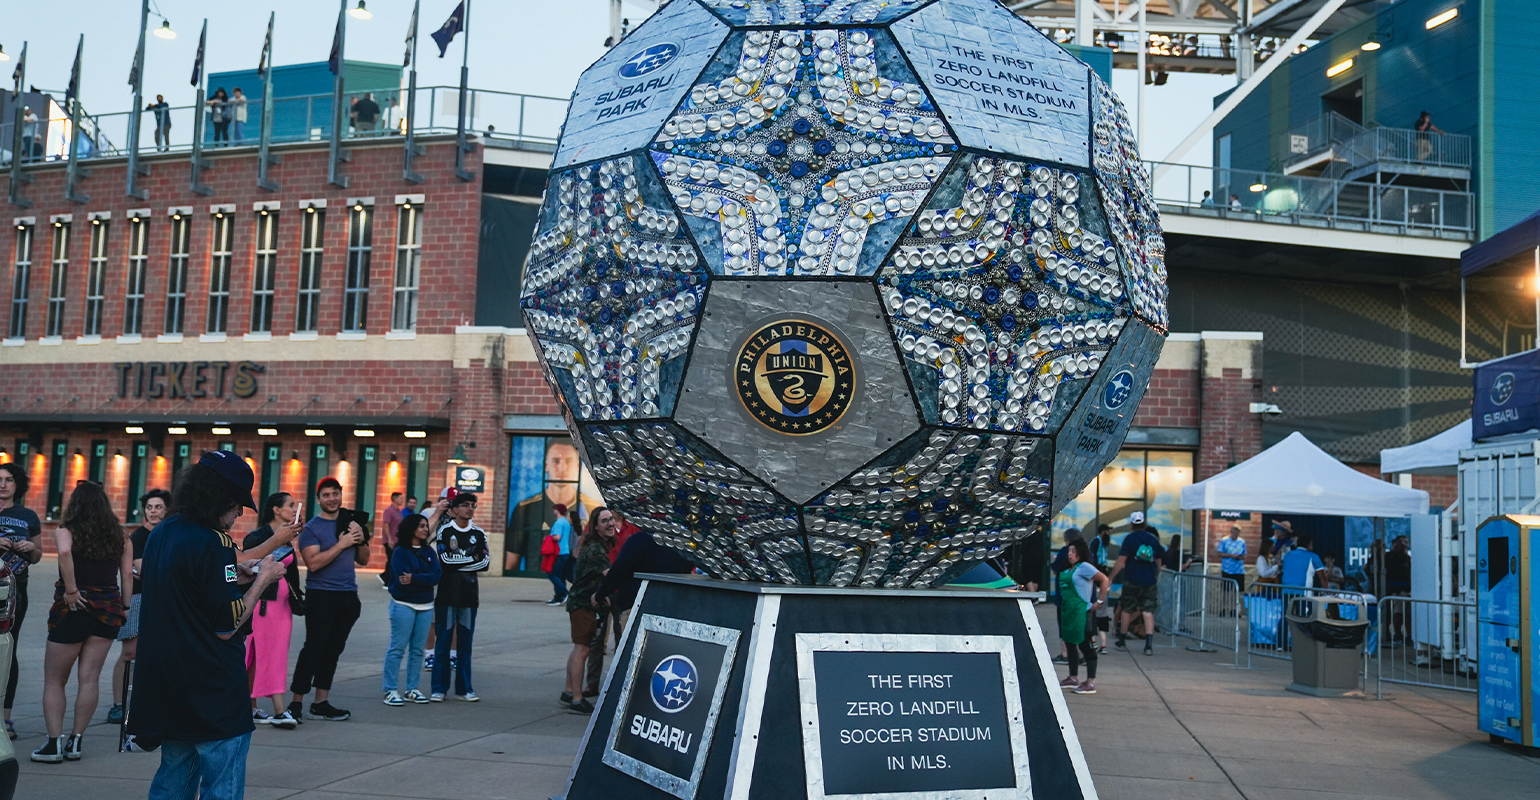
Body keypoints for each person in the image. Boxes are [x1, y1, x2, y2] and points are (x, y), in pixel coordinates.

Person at [128, 451, 285, 798]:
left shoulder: (162, 532)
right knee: (222, 784)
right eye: (237, 503)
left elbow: (185, 592)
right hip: (212, 688)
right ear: (220, 498)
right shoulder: (214, 542)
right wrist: (263, 579)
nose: (240, 512)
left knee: (173, 780)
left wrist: (232, 579)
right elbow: (226, 625)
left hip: (170, 686)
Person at [32, 482, 134, 763]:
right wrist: (126, 607)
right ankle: (76, 741)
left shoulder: (66, 530)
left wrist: (71, 589)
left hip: (73, 609)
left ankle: (54, 744)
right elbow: (127, 574)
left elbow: (65, 552)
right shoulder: (121, 536)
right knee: (89, 678)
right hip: (108, 610)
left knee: (55, 680)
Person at [288, 478, 369, 722]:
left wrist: (360, 538)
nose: (332, 498)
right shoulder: (311, 529)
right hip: (321, 595)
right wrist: (342, 543)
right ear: (318, 499)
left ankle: (320, 703)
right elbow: (313, 563)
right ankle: (296, 703)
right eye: (326, 495)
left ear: (341, 495)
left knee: (333, 650)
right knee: (313, 648)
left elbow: (364, 559)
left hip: (348, 595)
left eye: (335, 493)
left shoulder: (350, 522)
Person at [106, 488, 171, 725]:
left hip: (165, 600)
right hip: (138, 598)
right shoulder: (139, 537)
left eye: (158, 507)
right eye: (149, 507)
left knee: (159, 653)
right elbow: (145, 570)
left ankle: (149, 702)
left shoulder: (170, 535)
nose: (153, 512)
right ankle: (118, 704)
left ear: (167, 510)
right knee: (130, 652)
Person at [242, 493, 305, 729]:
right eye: (290, 505)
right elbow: (247, 568)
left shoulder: (287, 539)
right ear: (277, 510)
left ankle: (250, 707)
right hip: (262, 606)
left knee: (263, 657)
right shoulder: (258, 537)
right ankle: (279, 710)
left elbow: (291, 575)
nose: (294, 509)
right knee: (267, 655)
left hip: (282, 607)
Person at [0, 462, 43, 741]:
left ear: (18, 485)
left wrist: (31, 547)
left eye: (9, 480)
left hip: (15, 590)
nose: (3, 485)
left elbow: (38, 555)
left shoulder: (27, 516)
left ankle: (5, 718)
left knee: (7, 650)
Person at [432, 492, 488, 702]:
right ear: (454, 509)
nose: (470, 508)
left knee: (465, 644)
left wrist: (461, 562)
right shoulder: (445, 531)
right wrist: (470, 559)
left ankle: (464, 689)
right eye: (465, 505)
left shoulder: (479, 533)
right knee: (443, 642)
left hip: (469, 595)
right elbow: (445, 561)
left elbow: (485, 563)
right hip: (447, 594)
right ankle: (439, 688)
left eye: (473, 505)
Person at [564, 508, 617, 714]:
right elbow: (610, 576)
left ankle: (569, 691)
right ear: (595, 526)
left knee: (579, 648)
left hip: (582, 602)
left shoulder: (596, 546)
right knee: (582, 649)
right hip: (583, 604)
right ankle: (577, 699)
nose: (610, 523)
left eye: (611, 519)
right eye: (604, 521)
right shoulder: (595, 550)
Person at [383, 513, 440, 706]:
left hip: (426, 606)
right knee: (397, 649)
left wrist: (414, 578)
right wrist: (424, 579)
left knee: (417, 651)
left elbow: (436, 576)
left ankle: (412, 689)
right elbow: (401, 580)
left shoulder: (429, 552)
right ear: (411, 528)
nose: (426, 529)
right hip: (403, 605)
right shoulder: (400, 552)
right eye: (421, 526)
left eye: (426, 526)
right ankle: (390, 690)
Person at [1058, 539, 1110, 695]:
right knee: (1070, 643)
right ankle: (1073, 677)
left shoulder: (1084, 567)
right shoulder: (1068, 569)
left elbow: (1104, 579)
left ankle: (1090, 682)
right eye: (1069, 551)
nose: (1070, 554)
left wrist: (1099, 601)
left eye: (1073, 551)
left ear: (1080, 552)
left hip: (1082, 613)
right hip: (1068, 612)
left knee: (1085, 645)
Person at [1109, 511, 1164, 656]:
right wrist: (1155, 575)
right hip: (1149, 581)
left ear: (1132, 524)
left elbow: (1121, 561)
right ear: (1144, 522)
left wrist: (1111, 577)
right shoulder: (1153, 539)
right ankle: (1148, 645)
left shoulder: (1129, 539)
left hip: (1132, 579)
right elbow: (1158, 562)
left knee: (1127, 609)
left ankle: (1122, 640)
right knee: (1147, 611)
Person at [544, 503, 575, 606]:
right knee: (560, 575)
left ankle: (563, 592)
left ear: (558, 511)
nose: (554, 511)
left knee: (552, 574)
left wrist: (547, 538)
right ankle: (558, 597)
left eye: (555, 510)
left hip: (559, 552)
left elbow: (557, 537)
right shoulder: (566, 522)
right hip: (565, 551)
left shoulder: (558, 523)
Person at [1216, 524, 1247, 593]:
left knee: (1239, 591)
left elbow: (1245, 554)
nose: (1236, 534)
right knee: (1226, 591)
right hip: (1227, 570)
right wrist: (1230, 555)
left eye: (1238, 532)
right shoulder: (1224, 540)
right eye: (1235, 532)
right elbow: (1219, 553)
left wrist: (1240, 557)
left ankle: (1237, 600)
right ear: (1231, 532)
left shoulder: (1242, 542)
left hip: (1239, 570)